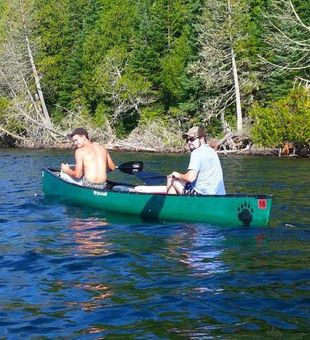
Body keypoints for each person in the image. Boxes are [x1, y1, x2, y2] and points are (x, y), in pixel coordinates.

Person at [133, 126, 226, 195]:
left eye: (192, 139)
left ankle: (171, 206)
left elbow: (190, 178)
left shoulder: (197, 153)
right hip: (218, 194)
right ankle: (139, 189)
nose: (189, 142)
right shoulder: (212, 151)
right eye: (187, 140)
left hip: (202, 196)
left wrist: (176, 174)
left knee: (172, 179)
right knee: (176, 182)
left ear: (202, 139)